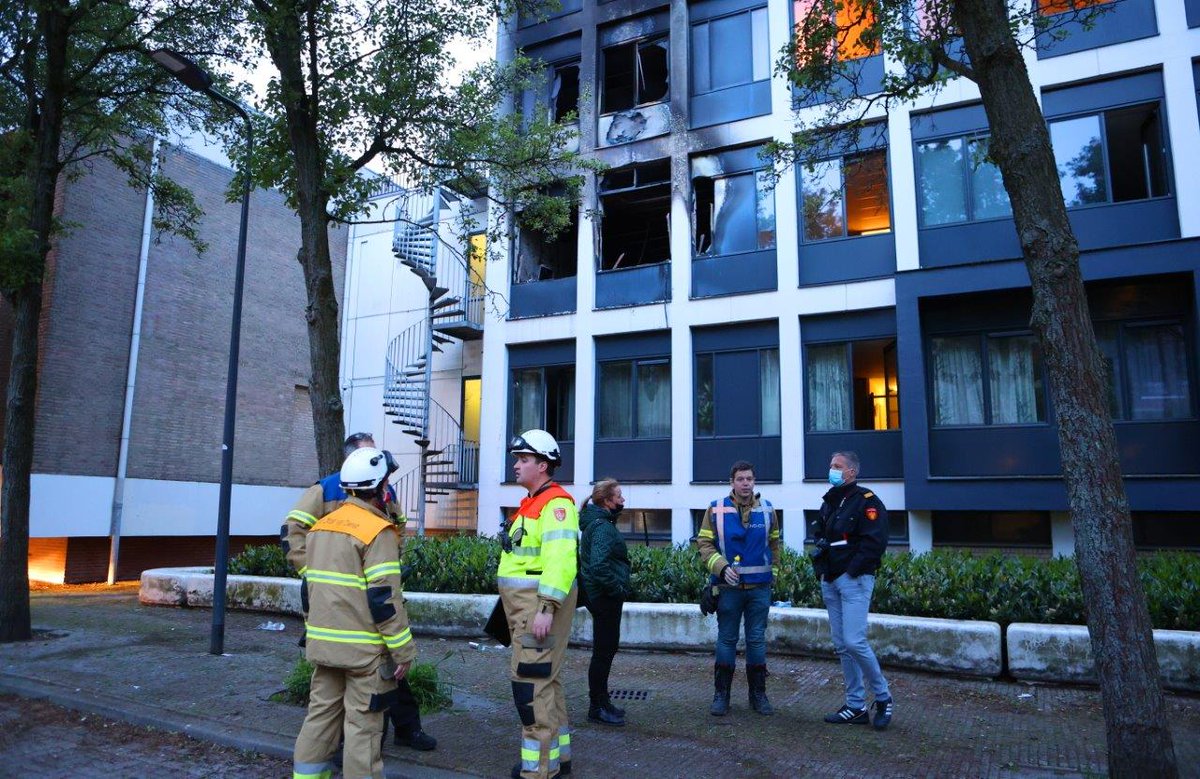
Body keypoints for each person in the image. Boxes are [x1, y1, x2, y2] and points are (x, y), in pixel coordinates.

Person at [282, 432, 437, 752]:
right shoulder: (325, 490)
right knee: (365, 715)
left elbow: (398, 528)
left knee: (322, 712)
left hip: (334, 627)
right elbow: (292, 531)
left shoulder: (381, 497)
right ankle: (354, 753)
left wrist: (391, 565)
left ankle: (405, 730)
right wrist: (312, 573)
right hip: (362, 624)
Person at [498, 429, 579, 779]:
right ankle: (556, 760)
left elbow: (561, 560)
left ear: (542, 465)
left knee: (531, 684)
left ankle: (538, 770)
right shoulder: (533, 502)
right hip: (527, 610)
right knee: (547, 681)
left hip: (536, 611)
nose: (517, 465)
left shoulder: (556, 505)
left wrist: (546, 608)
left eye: (524, 460)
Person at [812, 450, 893, 731]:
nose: (831, 469)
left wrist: (851, 571)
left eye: (837, 466)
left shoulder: (866, 502)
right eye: (830, 464)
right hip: (830, 580)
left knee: (855, 641)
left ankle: (883, 698)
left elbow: (875, 542)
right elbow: (822, 535)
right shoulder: (831, 501)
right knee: (842, 645)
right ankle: (855, 705)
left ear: (851, 472)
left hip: (853, 580)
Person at [695, 460, 780, 716]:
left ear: (754, 482)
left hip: (759, 589)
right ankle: (721, 696)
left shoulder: (767, 509)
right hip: (727, 588)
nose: (746, 484)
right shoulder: (715, 509)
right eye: (741, 479)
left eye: (750, 479)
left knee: (756, 641)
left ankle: (758, 696)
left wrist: (773, 576)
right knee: (727, 640)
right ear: (731, 482)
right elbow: (704, 545)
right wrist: (721, 567)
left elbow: (775, 546)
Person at [578, 478, 630, 727]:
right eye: (618, 496)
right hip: (605, 598)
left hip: (600, 596)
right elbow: (599, 566)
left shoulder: (598, 523)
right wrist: (617, 588)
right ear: (607, 501)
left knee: (605, 652)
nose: (622, 500)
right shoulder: (602, 528)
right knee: (603, 653)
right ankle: (596, 706)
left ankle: (603, 701)